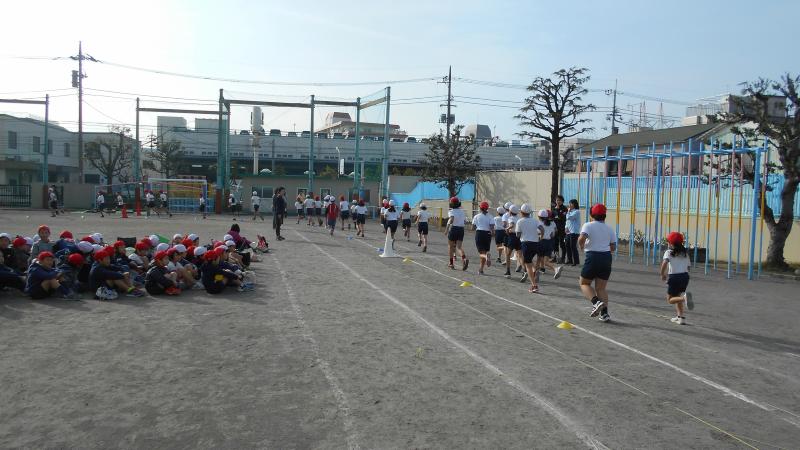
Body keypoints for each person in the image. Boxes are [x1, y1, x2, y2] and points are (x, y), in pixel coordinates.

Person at [578, 203, 617, 323]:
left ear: (591, 215)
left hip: (593, 256)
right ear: (605, 215)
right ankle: (604, 314)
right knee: (601, 288)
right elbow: (613, 247)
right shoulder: (609, 228)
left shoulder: (588, 225)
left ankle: (596, 302)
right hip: (606, 257)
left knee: (584, 283)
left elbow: (581, 238)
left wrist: (582, 246)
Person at [660, 231, 695, 325]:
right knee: (677, 296)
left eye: (668, 242)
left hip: (675, 277)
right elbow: (688, 267)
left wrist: (662, 274)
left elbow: (664, 264)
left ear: (671, 243)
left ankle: (684, 298)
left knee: (670, 300)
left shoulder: (668, 252)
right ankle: (681, 318)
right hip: (685, 277)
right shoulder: (685, 253)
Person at [516, 204, 544, 292]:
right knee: (530, 261)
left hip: (526, 244)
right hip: (535, 244)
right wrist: (541, 237)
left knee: (527, 265)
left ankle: (534, 285)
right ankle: (535, 270)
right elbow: (542, 229)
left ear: (521, 212)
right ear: (530, 212)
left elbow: (518, 235)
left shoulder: (520, 221)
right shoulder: (535, 220)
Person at [537, 209, 563, 280]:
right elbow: (555, 232)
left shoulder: (539, 223)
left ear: (539, 217)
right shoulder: (552, 223)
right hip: (549, 242)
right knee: (545, 260)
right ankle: (546, 268)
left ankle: (536, 274)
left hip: (541, 242)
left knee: (539, 258)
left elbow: (538, 233)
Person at [444, 196, 468, 271]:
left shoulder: (451, 211)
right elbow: (465, 221)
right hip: (461, 229)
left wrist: (447, 229)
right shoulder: (462, 211)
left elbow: (451, 219)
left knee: (451, 246)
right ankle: (464, 258)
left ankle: (451, 263)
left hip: (454, 229)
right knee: (459, 247)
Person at [471, 201, 494, 275]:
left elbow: (472, 228)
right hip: (487, 234)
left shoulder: (476, 216)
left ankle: (486, 257)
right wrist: (492, 233)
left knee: (481, 253)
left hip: (479, 233)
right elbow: (492, 227)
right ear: (487, 208)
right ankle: (481, 270)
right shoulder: (490, 216)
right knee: (485, 251)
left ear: (480, 208)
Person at [503, 205, 521, 278]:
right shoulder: (519, 218)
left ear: (510, 211)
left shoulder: (510, 218)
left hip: (512, 236)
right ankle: (525, 271)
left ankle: (508, 272)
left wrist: (507, 229)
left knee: (508, 254)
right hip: (518, 237)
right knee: (520, 255)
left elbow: (512, 225)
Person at [565, 199, 581, 266]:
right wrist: (566, 227)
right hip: (568, 231)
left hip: (574, 231)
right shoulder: (570, 212)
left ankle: (576, 261)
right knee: (567, 245)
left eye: (571, 203)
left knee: (573, 246)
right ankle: (570, 260)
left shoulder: (577, 211)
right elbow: (567, 221)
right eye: (569, 203)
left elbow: (569, 218)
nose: (569, 205)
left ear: (574, 204)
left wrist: (568, 212)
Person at [552, 195, 568, 263]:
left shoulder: (564, 208)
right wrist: (556, 217)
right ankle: (556, 257)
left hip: (562, 228)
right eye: (557, 200)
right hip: (555, 228)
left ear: (562, 201)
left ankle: (563, 258)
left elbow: (562, 217)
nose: (558, 201)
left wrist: (557, 217)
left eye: (560, 200)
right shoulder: (554, 209)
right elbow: (552, 218)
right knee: (555, 243)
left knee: (562, 243)